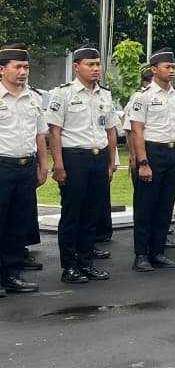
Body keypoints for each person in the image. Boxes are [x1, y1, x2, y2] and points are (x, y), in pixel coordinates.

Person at [47, 46, 118, 284]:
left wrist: (111, 162)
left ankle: (86, 263)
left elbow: (111, 131)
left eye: (98, 64)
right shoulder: (63, 94)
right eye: (90, 64)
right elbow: (54, 132)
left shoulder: (104, 94)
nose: (96, 69)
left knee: (92, 215)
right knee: (72, 215)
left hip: (99, 157)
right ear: (76, 67)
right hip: (74, 158)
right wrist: (58, 165)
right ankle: (69, 266)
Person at [128, 48, 175, 272]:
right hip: (152, 152)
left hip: (173, 153)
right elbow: (137, 130)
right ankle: (141, 255)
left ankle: (158, 252)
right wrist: (143, 162)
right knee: (146, 207)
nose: (172, 70)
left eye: (173, 67)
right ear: (154, 69)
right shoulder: (142, 97)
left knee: (165, 206)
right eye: (167, 67)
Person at [0, 44, 49, 297]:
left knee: (18, 224)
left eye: (26, 67)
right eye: (17, 67)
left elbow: (40, 135)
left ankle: (11, 275)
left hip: (25, 166)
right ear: (2, 70)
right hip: (2, 165)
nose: (23, 72)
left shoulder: (34, 98)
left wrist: (43, 166)